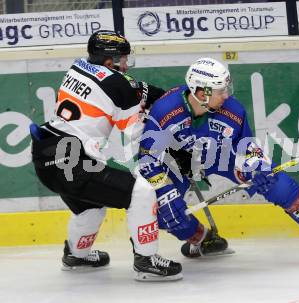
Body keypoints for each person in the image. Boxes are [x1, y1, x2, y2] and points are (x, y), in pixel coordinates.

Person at [138, 57, 299, 260]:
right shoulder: (164, 110)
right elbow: (148, 158)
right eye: (221, 91)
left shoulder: (233, 110)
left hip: (220, 157)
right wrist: (165, 190)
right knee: (164, 211)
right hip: (178, 164)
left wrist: (258, 167)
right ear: (202, 93)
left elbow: (247, 147)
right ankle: (204, 239)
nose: (226, 96)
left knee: (278, 184)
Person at [30, 30, 182, 281]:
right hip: (72, 163)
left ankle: (76, 256)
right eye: (123, 59)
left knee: (91, 207)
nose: (126, 65)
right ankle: (146, 260)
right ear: (110, 62)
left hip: (45, 157)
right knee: (141, 191)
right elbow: (133, 136)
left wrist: (142, 93)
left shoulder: (77, 67)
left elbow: (127, 87)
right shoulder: (119, 85)